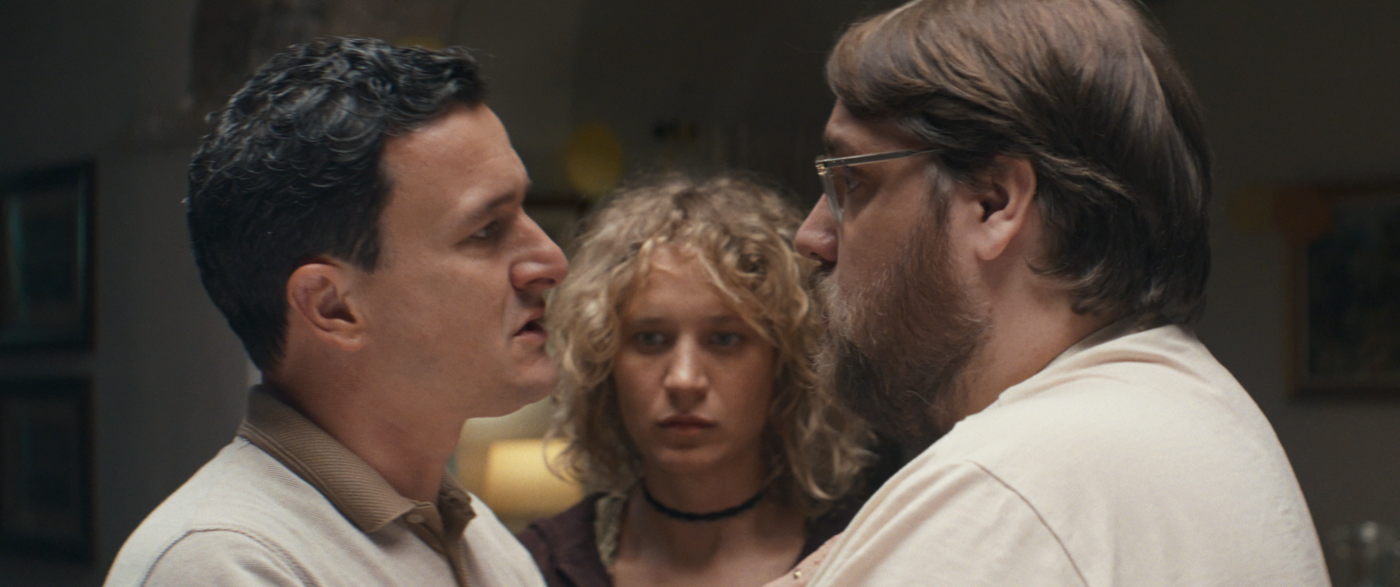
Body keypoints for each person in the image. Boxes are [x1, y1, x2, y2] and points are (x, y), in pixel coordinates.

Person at [786, 0, 1330, 584]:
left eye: (852, 181)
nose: (810, 237)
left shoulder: (1009, 492)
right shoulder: (1189, 411)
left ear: (993, 201)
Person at [105, 38, 564, 586]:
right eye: (486, 231)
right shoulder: (222, 564)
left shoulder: (485, 541)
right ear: (333, 306)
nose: (551, 261)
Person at [518, 174, 873, 587]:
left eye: (725, 339)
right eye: (650, 339)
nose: (684, 380)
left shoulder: (866, 554)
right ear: (603, 361)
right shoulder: (539, 567)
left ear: (785, 361)